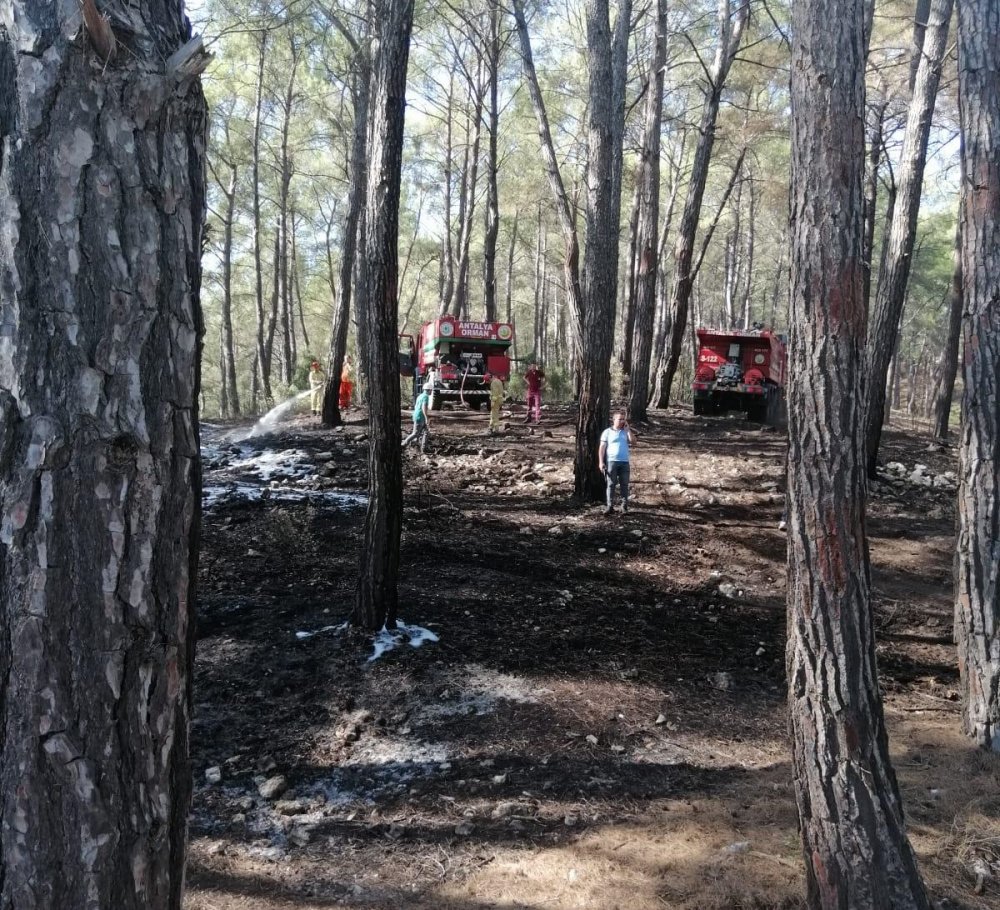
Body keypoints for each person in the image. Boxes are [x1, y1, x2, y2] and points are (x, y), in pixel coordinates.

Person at [598, 411, 636, 515]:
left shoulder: (625, 432)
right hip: (611, 461)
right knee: (611, 484)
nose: (622, 421)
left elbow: (633, 441)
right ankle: (609, 506)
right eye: (620, 419)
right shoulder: (607, 432)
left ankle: (624, 506)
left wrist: (628, 431)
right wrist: (601, 462)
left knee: (624, 484)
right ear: (613, 420)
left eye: (623, 419)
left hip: (624, 462)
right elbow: (602, 448)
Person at [403, 381, 432, 453]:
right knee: (415, 433)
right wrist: (426, 418)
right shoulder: (425, 397)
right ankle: (403, 444)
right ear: (428, 390)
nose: (431, 391)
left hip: (416, 415)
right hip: (420, 417)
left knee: (426, 431)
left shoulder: (420, 396)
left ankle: (423, 448)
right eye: (431, 390)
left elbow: (416, 406)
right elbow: (423, 407)